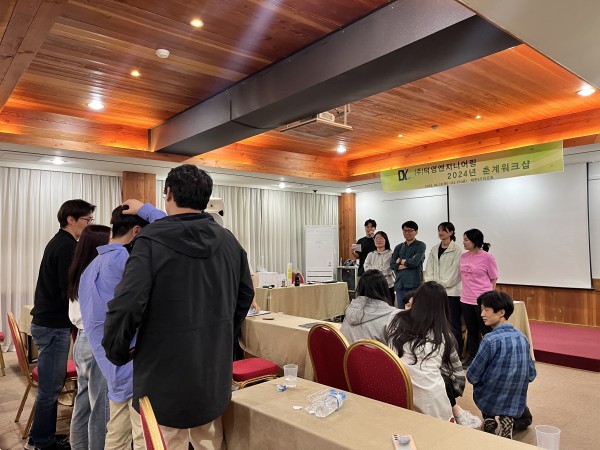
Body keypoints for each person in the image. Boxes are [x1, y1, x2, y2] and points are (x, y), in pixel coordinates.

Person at [102, 164, 254, 449]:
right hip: (211, 373)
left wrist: (116, 350)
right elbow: (245, 294)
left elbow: (127, 304)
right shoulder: (229, 242)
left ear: (168, 193)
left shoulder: (149, 241)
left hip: (162, 377)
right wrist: (222, 334)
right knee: (209, 441)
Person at [79, 203, 163, 450]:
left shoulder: (91, 267)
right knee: (143, 434)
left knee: (117, 432)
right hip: (131, 361)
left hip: (109, 361)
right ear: (136, 231)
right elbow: (171, 229)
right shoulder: (125, 261)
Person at [29, 199, 95, 450]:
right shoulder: (67, 246)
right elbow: (67, 290)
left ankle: (39, 436)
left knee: (50, 388)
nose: (89, 224)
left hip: (50, 324)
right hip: (52, 325)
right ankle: (42, 442)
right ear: (71, 219)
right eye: (87, 220)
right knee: (50, 390)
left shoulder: (60, 242)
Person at [402, 290, 481, 428]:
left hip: (403, 382)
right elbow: (455, 370)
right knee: (441, 376)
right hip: (427, 391)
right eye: (407, 305)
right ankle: (456, 410)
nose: (409, 308)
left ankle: (456, 410)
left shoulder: (398, 325)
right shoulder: (443, 335)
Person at [467, 291, 536, 439]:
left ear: (501, 312)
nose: (482, 314)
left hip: (490, 396)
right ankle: (507, 417)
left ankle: (489, 416)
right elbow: (531, 374)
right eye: (481, 310)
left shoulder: (489, 339)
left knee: (481, 380)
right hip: (515, 398)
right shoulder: (523, 338)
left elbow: (472, 375)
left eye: (486, 310)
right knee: (520, 406)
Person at [67, 225, 111, 450]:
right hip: (96, 342)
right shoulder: (97, 274)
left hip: (82, 340)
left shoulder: (79, 270)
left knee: (83, 402)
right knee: (100, 409)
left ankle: (78, 446)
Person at [386, 281, 456, 421]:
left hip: (395, 390)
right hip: (430, 400)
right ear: (442, 306)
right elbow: (449, 369)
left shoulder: (396, 319)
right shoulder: (443, 335)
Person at [460, 229, 498, 369]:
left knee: (486, 330)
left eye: (466, 239)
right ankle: (473, 357)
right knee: (472, 330)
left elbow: (493, 278)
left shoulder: (487, 257)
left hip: (482, 300)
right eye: (464, 239)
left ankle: (490, 358)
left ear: (475, 241)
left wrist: (489, 299)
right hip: (466, 299)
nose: (464, 242)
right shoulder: (463, 256)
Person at [425, 222, 463, 352]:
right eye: (439, 230)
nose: (440, 233)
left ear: (451, 232)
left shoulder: (457, 250)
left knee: (453, 324)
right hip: (434, 292)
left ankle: (456, 352)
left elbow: (455, 273)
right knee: (435, 322)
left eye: (444, 230)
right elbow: (429, 269)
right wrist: (431, 285)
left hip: (451, 293)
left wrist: (440, 285)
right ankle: (439, 351)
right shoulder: (434, 249)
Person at [340, 269, 399, 345]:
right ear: (384, 288)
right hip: (377, 352)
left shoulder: (350, 309)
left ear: (360, 287)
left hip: (347, 352)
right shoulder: (392, 315)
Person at [390, 220, 426, 309]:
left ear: (416, 232)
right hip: (400, 285)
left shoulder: (420, 245)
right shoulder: (398, 247)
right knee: (401, 311)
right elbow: (392, 265)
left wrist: (400, 260)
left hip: (414, 285)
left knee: (415, 311)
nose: (407, 233)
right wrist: (408, 263)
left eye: (410, 230)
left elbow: (415, 262)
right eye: (405, 231)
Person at [363, 231, 395, 304]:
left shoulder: (390, 254)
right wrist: (380, 267)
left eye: (381, 238)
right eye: (376, 238)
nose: (378, 240)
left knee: (388, 307)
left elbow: (386, 271)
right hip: (372, 286)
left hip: (387, 286)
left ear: (386, 240)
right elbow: (366, 269)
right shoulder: (370, 254)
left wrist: (372, 268)